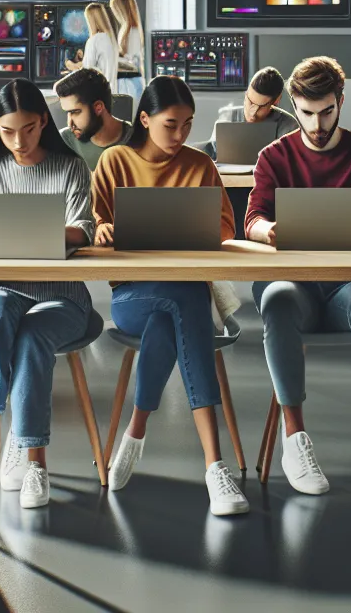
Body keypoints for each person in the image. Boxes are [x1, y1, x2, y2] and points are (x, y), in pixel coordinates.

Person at [243, 57, 351, 517]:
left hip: (347, 284)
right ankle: (295, 440)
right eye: (307, 113)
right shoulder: (273, 156)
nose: (317, 124)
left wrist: (327, 223)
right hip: (292, 282)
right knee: (274, 299)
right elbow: (251, 219)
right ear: (293, 105)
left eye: (326, 112)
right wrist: (269, 231)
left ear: (340, 103)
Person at [92, 77, 249, 516]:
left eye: (188, 125)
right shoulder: (114, 161)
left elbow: (224, 229)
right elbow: (96, 225)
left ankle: (138, 431)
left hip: (182, 296)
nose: (180, 136)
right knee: (185, 300)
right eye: (170, 124)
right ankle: (214, 467)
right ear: (145, 119)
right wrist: (103, 229)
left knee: (179, 304)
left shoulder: (200, 164)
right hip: (131, 297)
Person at [0, 79, 98, 509]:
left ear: (44, 120)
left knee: (32, 335)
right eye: (7, 132)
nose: (18, 141)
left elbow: (84, 230)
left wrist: (38, 228)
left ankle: (34, 458)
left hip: (60, 295)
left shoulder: (71, 167)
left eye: (27, 129)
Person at [207, 65, 297, 161]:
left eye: (260, 107)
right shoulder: (227, 117)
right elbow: (212, 157)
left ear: (276, 101)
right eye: (250, 102)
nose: (252, 113)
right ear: (246, 93)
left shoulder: (290, 127)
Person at [53, 67, 132, 172]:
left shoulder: (137, 140)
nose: (70, 123)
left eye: (75, 112)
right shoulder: (65, 141)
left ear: (98, 108)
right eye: (68, 112)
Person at [65, 2, 118, 80]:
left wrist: (75, 66)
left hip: (96, 86)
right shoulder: (110, 39)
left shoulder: (94, 40)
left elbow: (87, 69)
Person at [109, 0, 146, 99]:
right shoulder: (126, 30)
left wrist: (114, 58)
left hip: (131, 82)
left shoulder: (133, 32)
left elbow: (133, 63)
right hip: (127, 82)